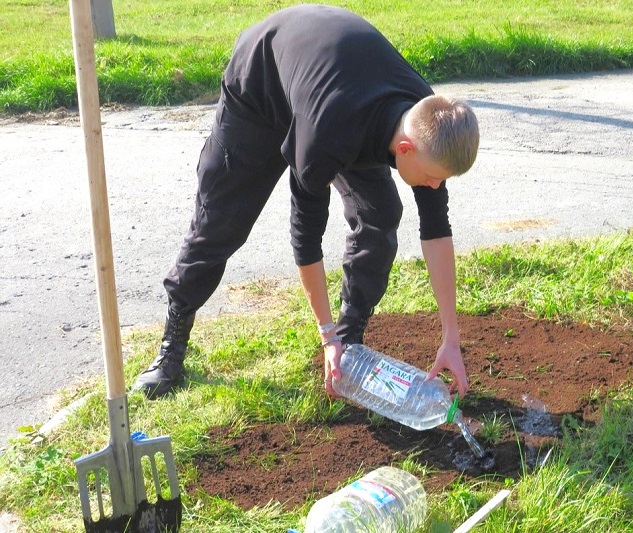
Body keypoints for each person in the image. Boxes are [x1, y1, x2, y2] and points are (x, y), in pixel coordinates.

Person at [132, 4, 480, 400]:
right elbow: (306, 237)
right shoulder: (328, 137)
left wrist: (451, 336)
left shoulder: (428, 122)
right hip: (260, 91)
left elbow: (437, 229)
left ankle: (350, 342)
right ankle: (172, 346)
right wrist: (323, 332)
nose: (436, 187)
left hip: (333, 90)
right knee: (220, 225)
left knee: (381, 214)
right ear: (404, 148)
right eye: (434, 177)